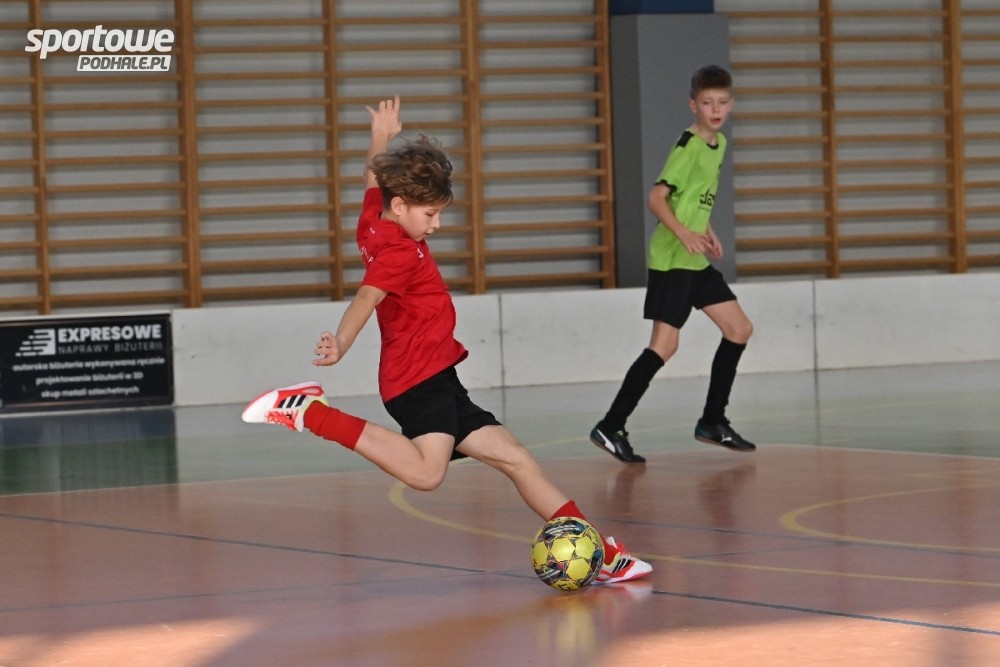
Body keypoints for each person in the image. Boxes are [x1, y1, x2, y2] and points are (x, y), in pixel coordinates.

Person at [242, 95, 651, 585]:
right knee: (426, 474)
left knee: (517, 459)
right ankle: (310, 411)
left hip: (440, 377)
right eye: (430, 214)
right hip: (416, 381)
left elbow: (372, 178)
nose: (436, 225)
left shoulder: (375, 219)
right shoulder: (398, 253)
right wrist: (342, 343)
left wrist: (381, 135)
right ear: (401, 206)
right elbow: (367, 298)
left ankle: (602, 554)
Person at [590, 65, 756, 465]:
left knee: (738, 329)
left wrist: (706, 230)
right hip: (672, 261)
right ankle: (611, 425)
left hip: (693, 259)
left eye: (722, 102)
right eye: (707, 103)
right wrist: (683, 234)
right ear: (693, 105)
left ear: (731, 105)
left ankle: (713, 421)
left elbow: (693, 198)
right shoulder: (688, 146)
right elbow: (657, 198)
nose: (715, 110)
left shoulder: (719, 143)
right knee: (664, 346)